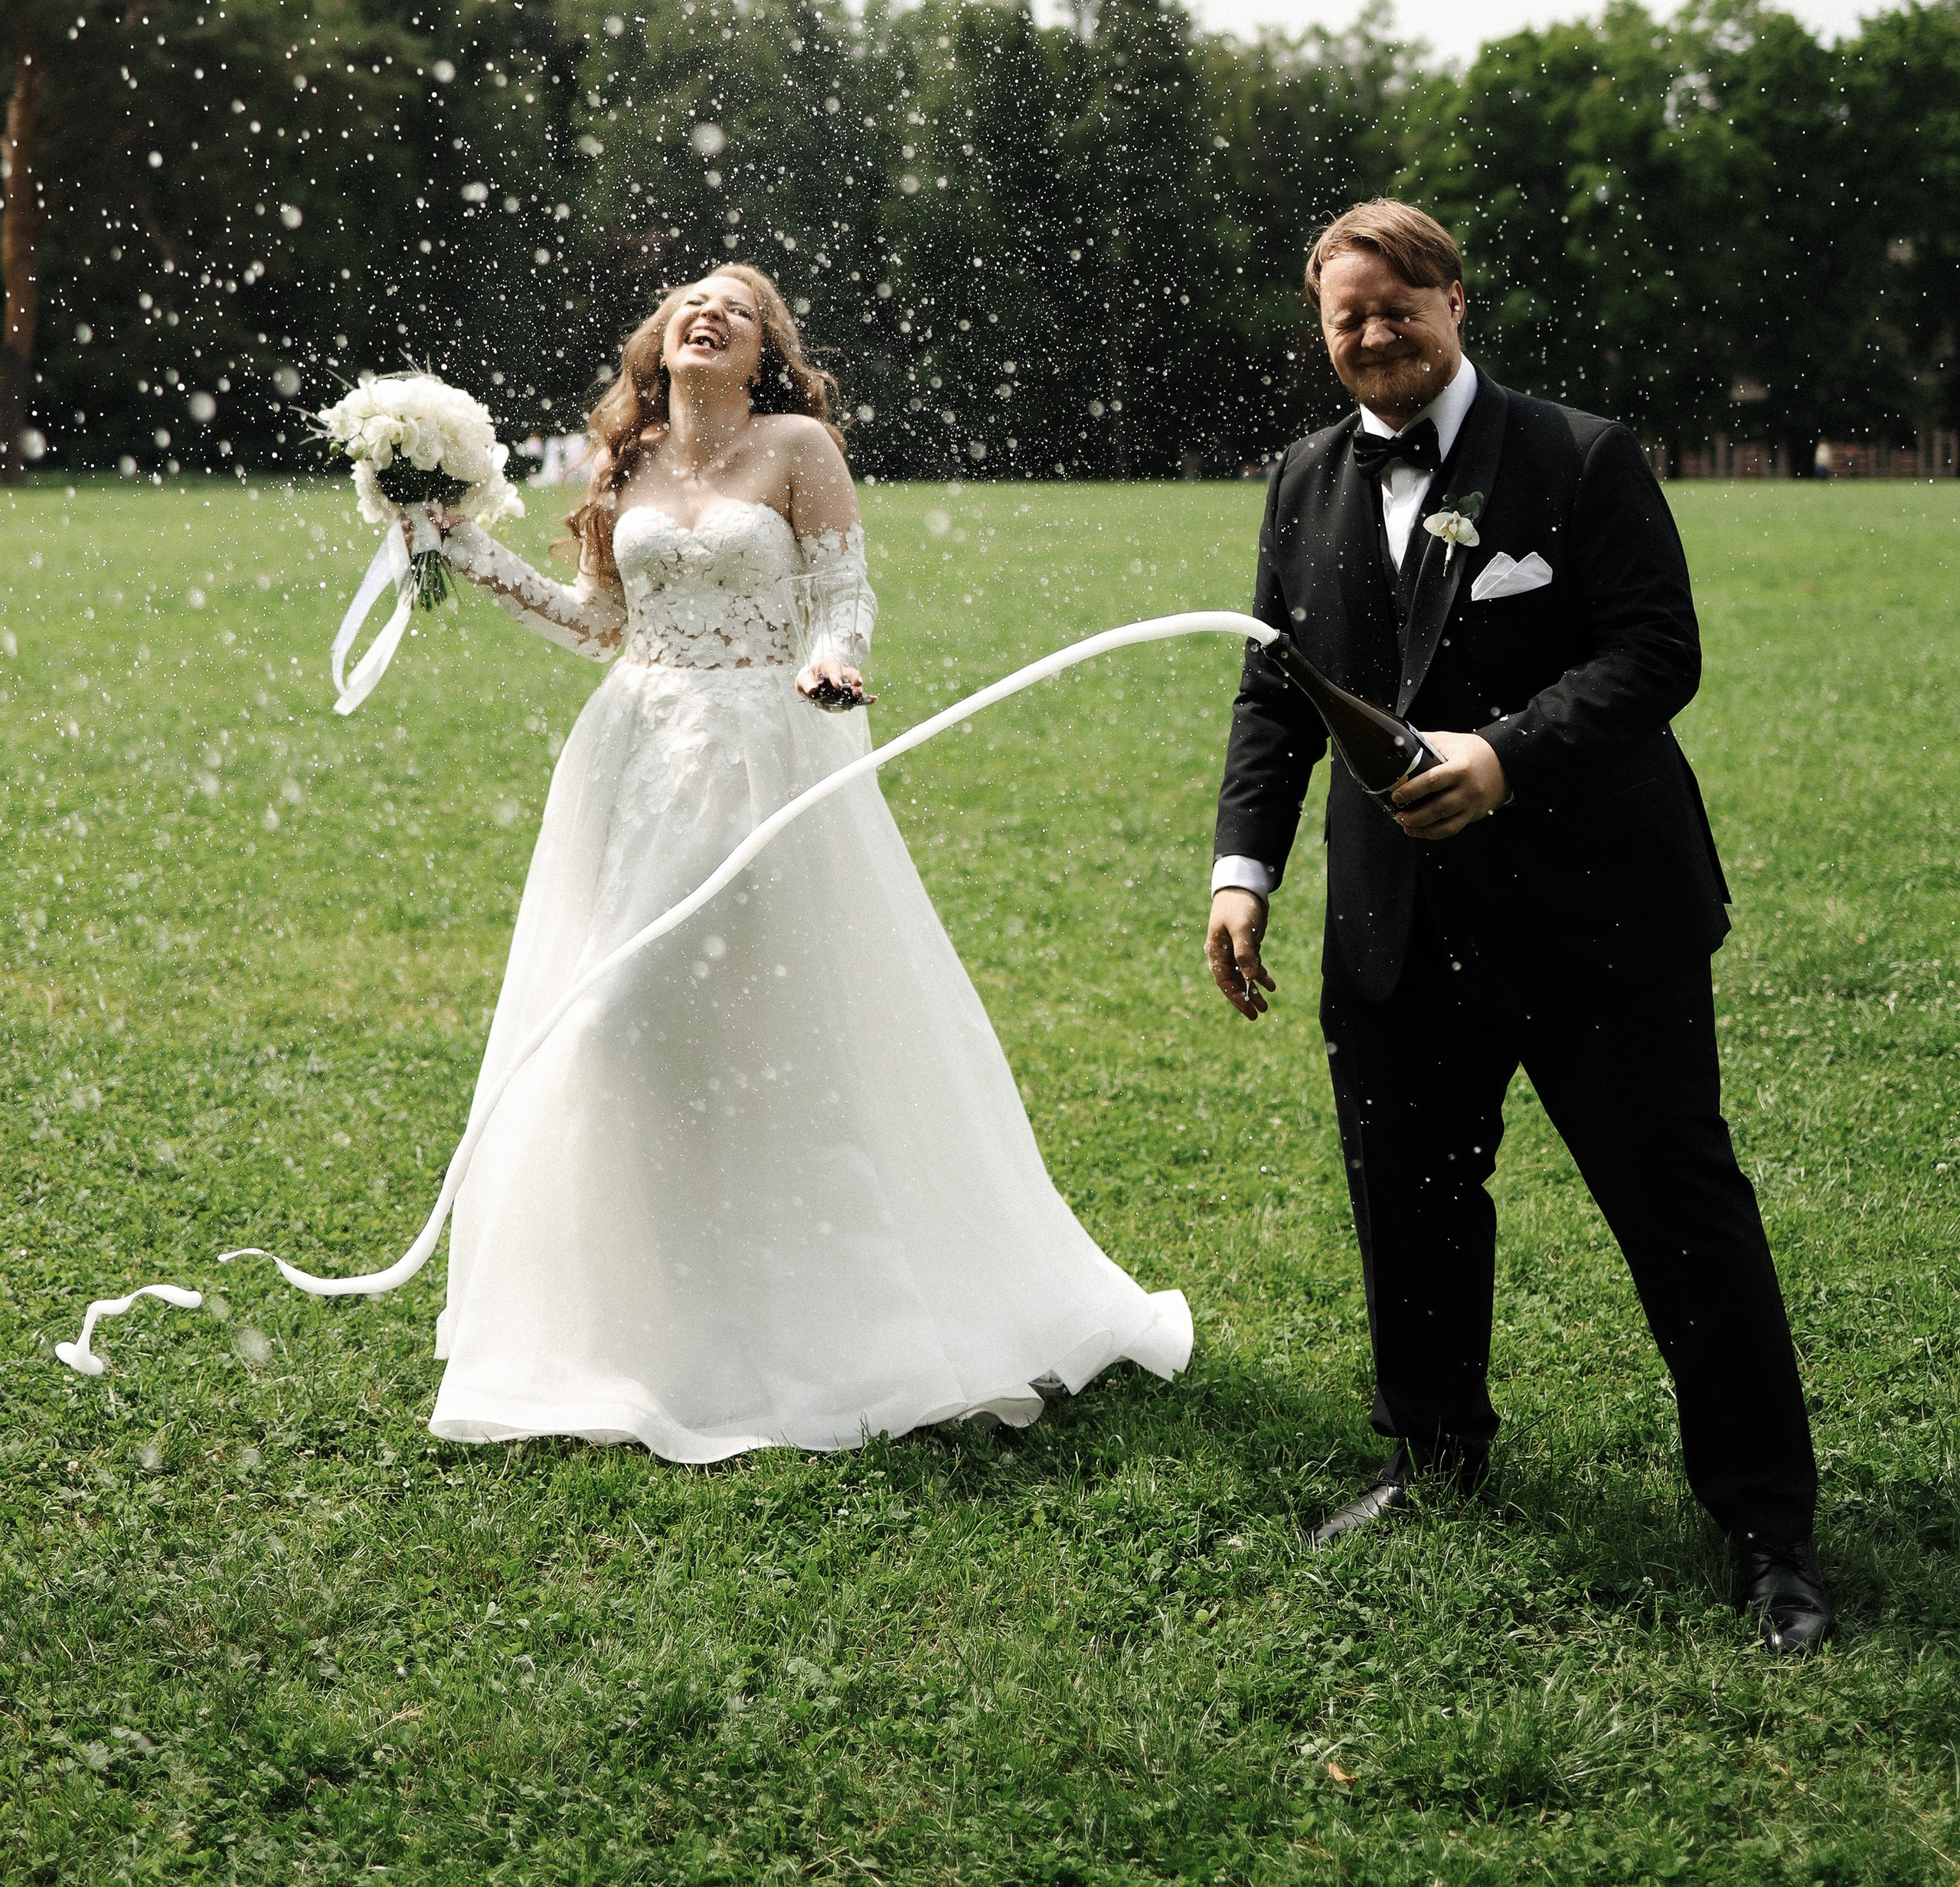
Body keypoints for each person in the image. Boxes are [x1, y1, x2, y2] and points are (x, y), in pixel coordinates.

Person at [421, 263, 1190, 1461]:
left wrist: (830, 661)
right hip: (634, 758)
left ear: (765, 348)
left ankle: (823, 1314)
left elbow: (844, 594)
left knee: (721, 1022)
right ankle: (655, 1326)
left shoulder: (797, 446)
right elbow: (595, 623)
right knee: (627, 1030)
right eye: (687, 303)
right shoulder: (618, 462)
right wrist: (461, 551)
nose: (705, 313)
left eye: (734, 307)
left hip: (760, 753)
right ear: (661, 342)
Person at [1206, 200, 1830, 1654]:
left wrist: (1502, 754)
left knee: (1681, 1220)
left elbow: (1654, 653)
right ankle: (1434, 1459)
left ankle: (1767, 1529)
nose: (1374, 336)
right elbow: (1270, 690)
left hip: (1598, 919)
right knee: (1410, 1212)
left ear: (1455, 301)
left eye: (1398, 305)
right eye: (1346, 318)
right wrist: (1245, 869)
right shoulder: (1302, 480)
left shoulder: (1581, 456)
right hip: (1392, 932)